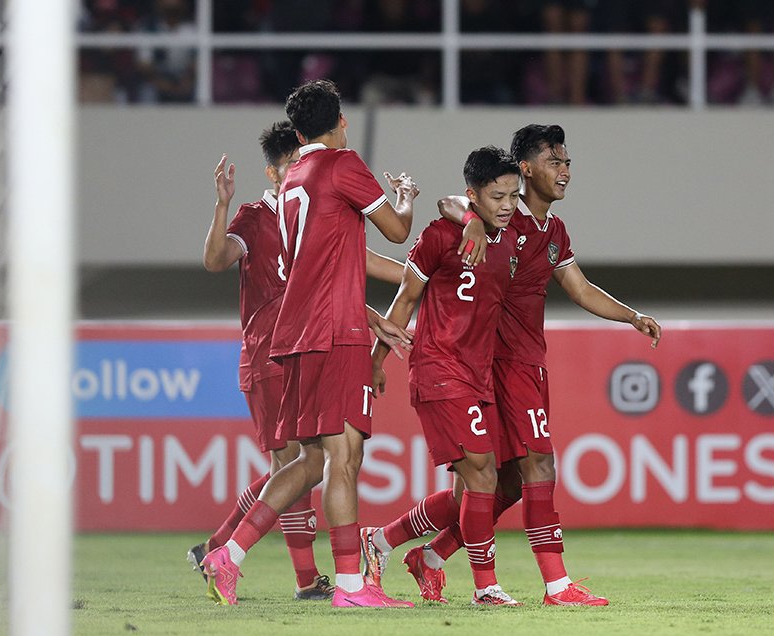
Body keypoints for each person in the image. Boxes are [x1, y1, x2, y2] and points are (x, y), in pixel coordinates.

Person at [398, 124, 661, 605]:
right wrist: (473, 221)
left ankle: (420, 553)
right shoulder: (502, 216)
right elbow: (451, 203)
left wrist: (632, 316)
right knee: (536, 465)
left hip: (523, 360)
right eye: (554, 162)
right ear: (525, 169)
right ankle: (556, 585)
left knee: (500, 484)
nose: (565, 171)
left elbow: (578, 288)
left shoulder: (553, 231)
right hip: (494, 362)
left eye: (567, 162)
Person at [200, 79, 418, 608]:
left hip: (294, 337)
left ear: (297, 133)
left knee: (310, 460)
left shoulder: (293, 176)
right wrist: (406, 200)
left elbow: (323, 263)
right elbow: (395, 232)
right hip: (333, 334)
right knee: (344, 458)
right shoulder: (342, 166)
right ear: (341, 122)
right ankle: (349, 585)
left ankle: (228, 554)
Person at [366, 146, 523, 606]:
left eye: (513, 195)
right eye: (497, 197)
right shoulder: (439, 236)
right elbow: (405, 299)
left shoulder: (510, 236)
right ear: (474, 194)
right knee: (483, 476)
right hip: (439, 367)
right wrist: (377, 360)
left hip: (481, 375)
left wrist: (475, 217)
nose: (508, 205)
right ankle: (485, 587)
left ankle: (385, 542)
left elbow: (458, 203)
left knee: (472, 493)